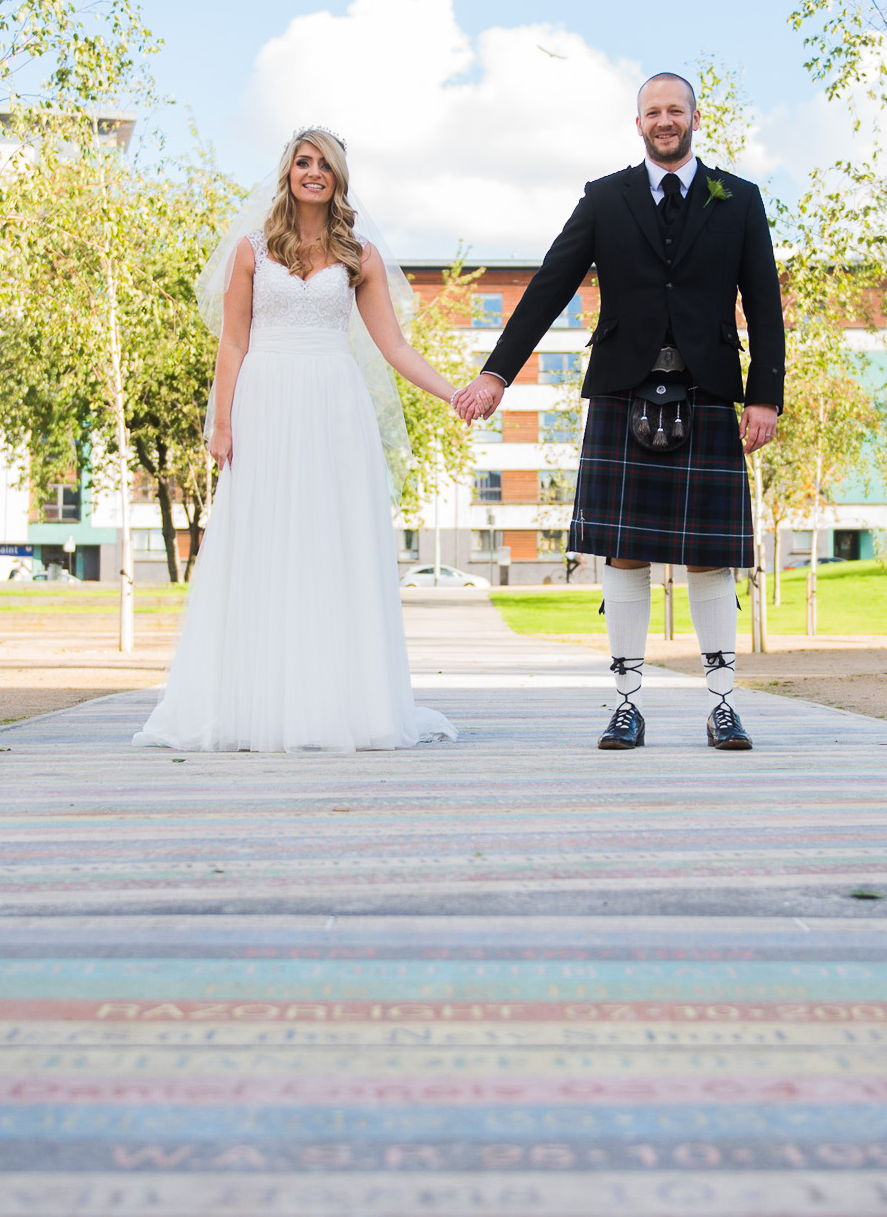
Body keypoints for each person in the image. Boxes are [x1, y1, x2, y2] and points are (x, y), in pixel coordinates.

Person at [456, 73, 784, 752]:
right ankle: (626, 705)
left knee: (709, 561)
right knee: (624, 556)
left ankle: (722, 704)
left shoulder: (740, 200)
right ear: (637, 123)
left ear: (695, 117)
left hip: (708, 391)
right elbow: (550, 284)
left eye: (674, 110)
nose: (663, 121)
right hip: (620, 392)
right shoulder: (605, 198)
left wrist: (764, 395)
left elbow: (763, 303)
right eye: (651, 112)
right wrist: (496, 374)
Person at [134, 127, 458, 755]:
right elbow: (233, 341)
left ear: (339, 178)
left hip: (335, 407)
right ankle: (255, 703)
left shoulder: (358, 255)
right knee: (265, 542)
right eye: (303, 162)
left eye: (325, 165)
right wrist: (221, 422)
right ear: (287, 172)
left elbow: (393, 347)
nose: (313, 172)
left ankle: (342, 703)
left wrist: (455, 395)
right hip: (267, 404)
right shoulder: (252, 251)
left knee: (330, 545)